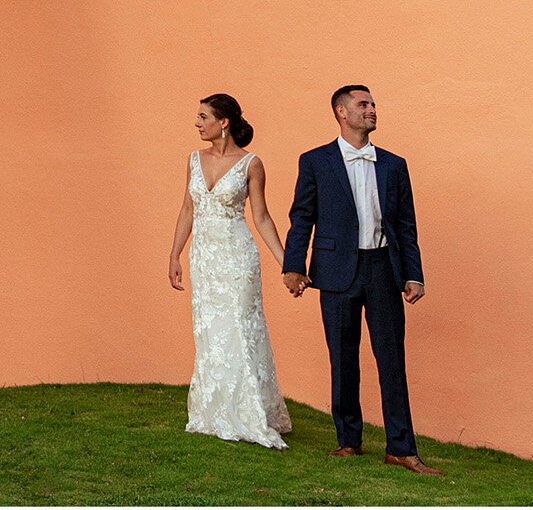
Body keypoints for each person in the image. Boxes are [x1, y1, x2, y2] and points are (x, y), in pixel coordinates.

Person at [281, 85, 440, 475]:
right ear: (341, 112)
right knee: (343, 358)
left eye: (373, 104)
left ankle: (401, 448)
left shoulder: (393, 164)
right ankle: (348, 441)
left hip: (383, 269)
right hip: (335, 272)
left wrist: (413, 274)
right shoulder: (315, 161)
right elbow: (302, 217)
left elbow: (406, 224)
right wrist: (293, 265)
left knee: (391, 359)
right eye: (363, 104)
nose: (372, 110)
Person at [167, 93, 292, 449]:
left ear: (223, 122)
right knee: (209, 330)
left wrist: (287, 263)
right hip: (204, 258)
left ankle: (251, 411)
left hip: (238, 258)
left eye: (203, 116)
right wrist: (175, 254)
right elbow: (187, 209)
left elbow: (262, 217)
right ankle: (214, 410)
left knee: (240, 326)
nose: (197, 123)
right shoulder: (193, 160)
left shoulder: (251, 164)